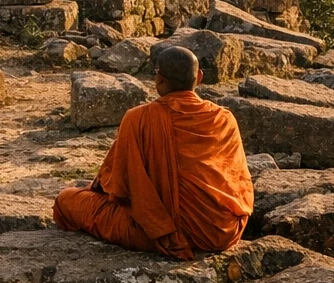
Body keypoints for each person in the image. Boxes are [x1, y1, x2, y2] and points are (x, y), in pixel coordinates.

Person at [53, 46, 254, 259]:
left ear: (159, 79)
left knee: (66, 199)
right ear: (200, 77)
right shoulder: (224, 118)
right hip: (223, 232)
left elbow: (119, 188)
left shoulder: (138, 118)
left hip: (164, 232)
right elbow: (239, 182)